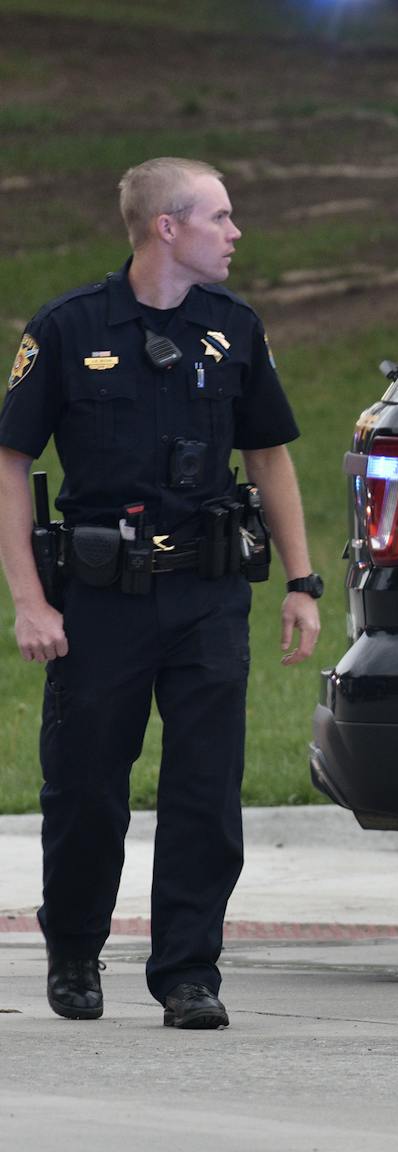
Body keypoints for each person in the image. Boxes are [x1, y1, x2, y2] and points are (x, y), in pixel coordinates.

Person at [0, 157, 322, 1029]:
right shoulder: (68, 329)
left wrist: (301, 582)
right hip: (101, 601)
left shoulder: (234, 328)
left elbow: (269, 457)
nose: (236, 232)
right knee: (86, 786)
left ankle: (188, 972)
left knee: (205, 790)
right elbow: (10, 460)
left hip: (208, 596)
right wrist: (30, 601)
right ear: (166, 228)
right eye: (220, 217)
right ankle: (73, 951)